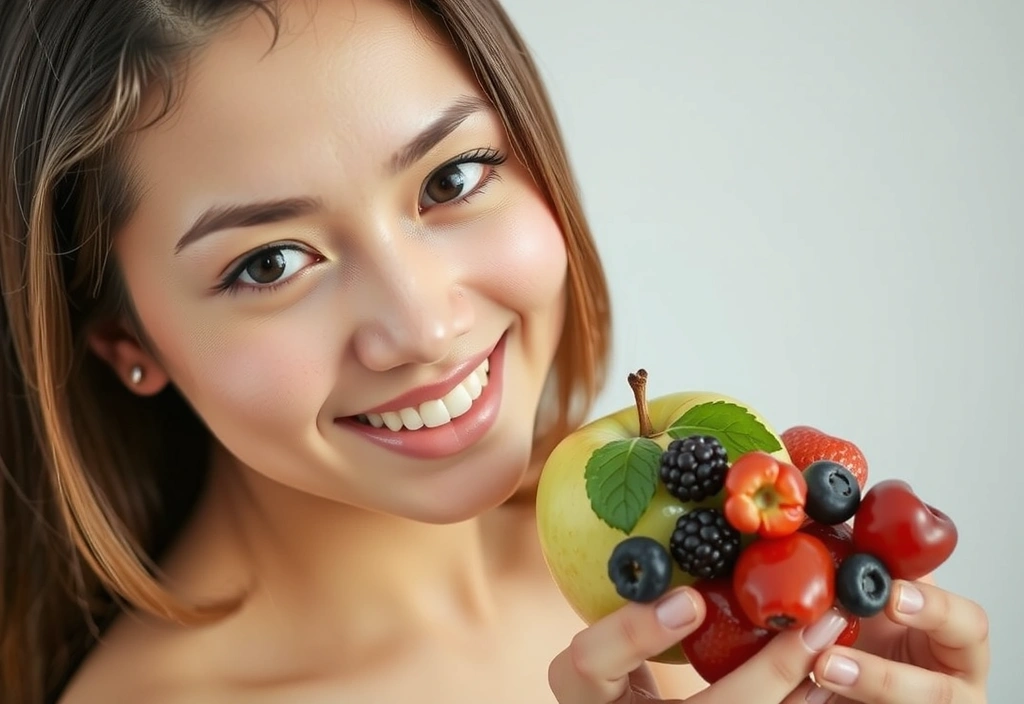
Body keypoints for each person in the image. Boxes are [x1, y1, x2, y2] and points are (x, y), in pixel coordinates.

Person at [0, 1, 991, 702]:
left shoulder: (724, 587)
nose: (425, 326)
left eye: (452, 178)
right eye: (269, 262)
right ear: (127, 340)